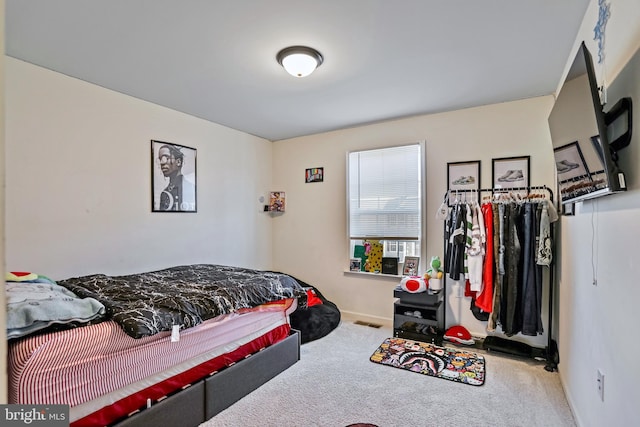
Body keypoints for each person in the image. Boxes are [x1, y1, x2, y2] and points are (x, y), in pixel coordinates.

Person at [157, 144, 195, 211]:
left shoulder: (190, 188)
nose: (162, 163)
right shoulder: (165, 192)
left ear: (178, 162)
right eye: (160, 159)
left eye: (166, 158)